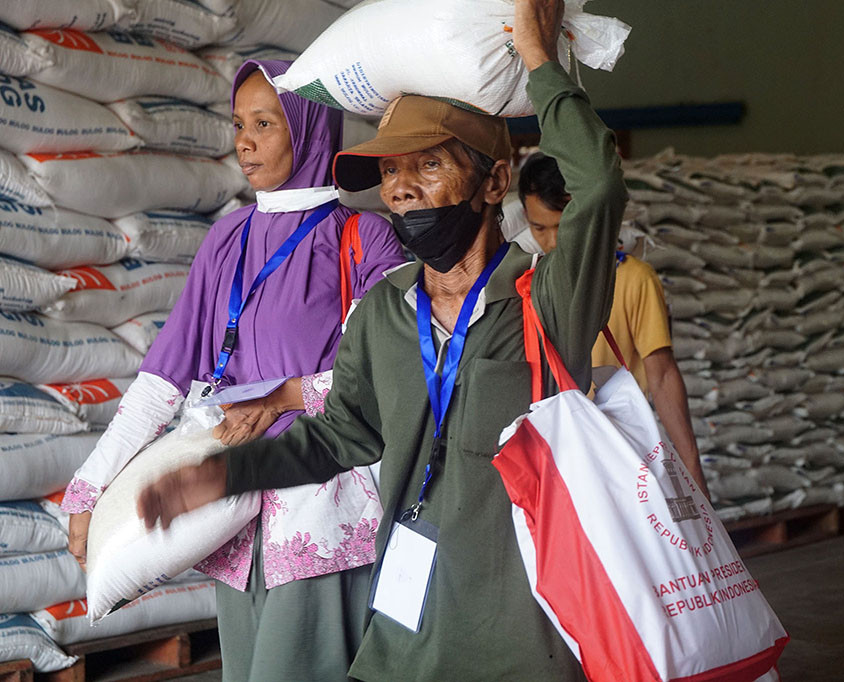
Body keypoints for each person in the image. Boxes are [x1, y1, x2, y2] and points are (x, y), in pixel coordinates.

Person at [135, 1, 627, 678]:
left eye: (427, 166)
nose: (401, 190)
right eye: (390, 173)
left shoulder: (545, 297)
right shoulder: (384, 315)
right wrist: (226, 474)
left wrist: (540, 59)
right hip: (403, 635)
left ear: (494, 182)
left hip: (521, 642)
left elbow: (598, 185)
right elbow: (341, 436)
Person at [60, 59, 405, 682]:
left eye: (265, 123)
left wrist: (281, 398)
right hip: (232, 522)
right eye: (238, 123)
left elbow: (382, 380)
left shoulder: (362, 239)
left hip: (315, 516)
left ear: (309, 130)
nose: (244, 141)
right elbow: (161, 382)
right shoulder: (228, 240)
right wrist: (89, 488)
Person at [519, 151, 710, 498]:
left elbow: (662, 374)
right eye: (539, 228)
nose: (552, 242)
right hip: (556, 453)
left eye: (563, 227)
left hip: (624, 452)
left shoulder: (634, 279)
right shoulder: (527, 285)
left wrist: (691, 466)